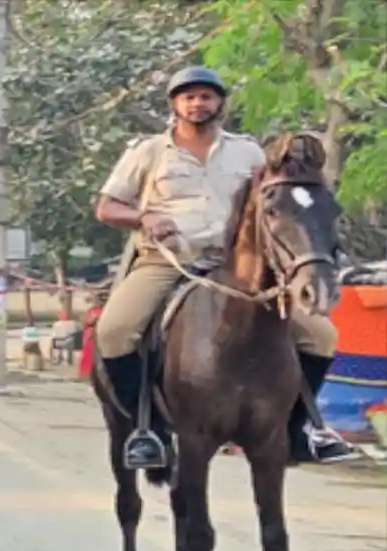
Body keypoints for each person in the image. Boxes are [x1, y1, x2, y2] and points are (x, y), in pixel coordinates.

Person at [92, 65, 358, 469]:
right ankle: (148, 432)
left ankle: (301, 429)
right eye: (189, 97)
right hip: (170, 261)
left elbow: (272, 206)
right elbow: (107, 207)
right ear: (175, 104)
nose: (198, 103)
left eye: (206, 96)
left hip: (237, 268)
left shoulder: (248, 152)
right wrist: (144, 217)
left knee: (321, 334)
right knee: (114, 331)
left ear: (220, 103)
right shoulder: (147, 152)